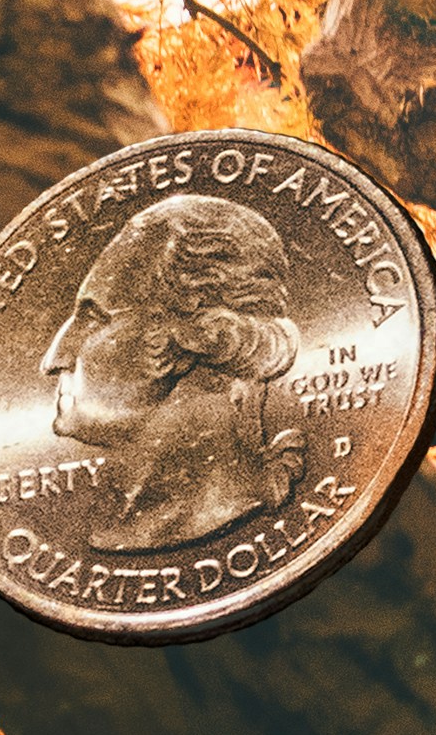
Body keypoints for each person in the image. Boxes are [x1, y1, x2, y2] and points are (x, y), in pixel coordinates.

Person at [38, 192, 318, 555]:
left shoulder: (214, 515)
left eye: (93, 318)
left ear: (185, 339)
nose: (52, 359)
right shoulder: (116, 525)